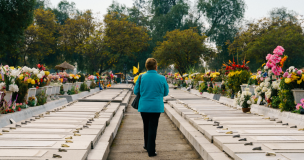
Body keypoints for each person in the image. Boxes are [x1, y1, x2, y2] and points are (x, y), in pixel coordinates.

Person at [134, 58, 169, 157]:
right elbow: (166, 93)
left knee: (146, 125)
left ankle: (146, 145)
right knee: (153, 127)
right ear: (156, 67)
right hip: (156, 106)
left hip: (144, 106)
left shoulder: (141, 77)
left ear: (146, 67)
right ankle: (151, 151)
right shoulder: (162, 78)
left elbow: (135, 91)